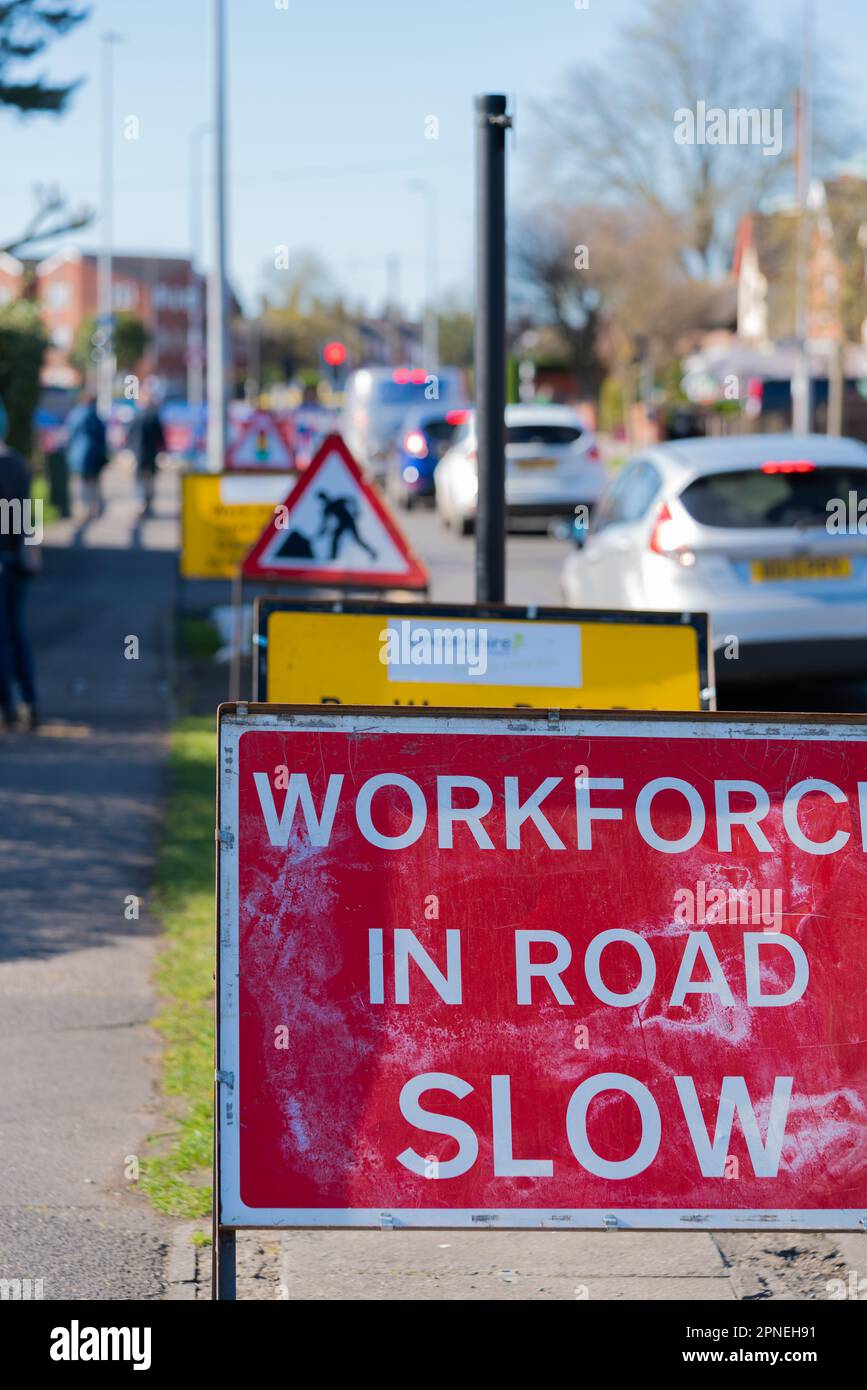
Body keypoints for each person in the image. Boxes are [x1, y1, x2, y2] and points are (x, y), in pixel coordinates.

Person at [0, 399, 39, 730]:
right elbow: (27, 516)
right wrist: (31, 551)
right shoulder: (18, 464)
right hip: (18, 561)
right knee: (17, 633)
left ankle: (8, 707)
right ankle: (30, 700)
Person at [67, 395, 108, 519]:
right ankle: (94, 507)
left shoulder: (74, 415)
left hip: (78, 454)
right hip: (93, 454)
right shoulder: (94, 416)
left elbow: (70, 434)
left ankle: (85, 507)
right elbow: (101, 436)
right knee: (94, 482)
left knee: (83, 482)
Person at [127, 391, 166, 517]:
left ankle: (140, 504)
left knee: (139, 480)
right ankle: (147, 504)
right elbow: (160, 437)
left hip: (138, 453)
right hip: (150, 454)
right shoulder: (153, 416)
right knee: (149, 481)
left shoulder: (135, 416)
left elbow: (129, 436)